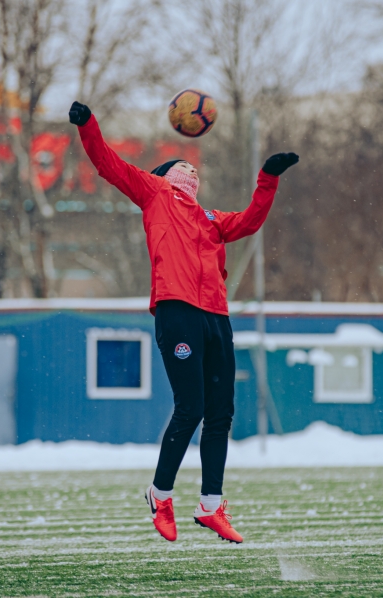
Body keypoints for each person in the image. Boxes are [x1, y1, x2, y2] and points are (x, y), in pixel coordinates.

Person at [69, 101, 299, 544]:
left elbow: (251, 221)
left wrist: (268, 178)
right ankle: (160, 495)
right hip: (177, 312)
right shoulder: (154, 193)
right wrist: (88, 124)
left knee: (221, 413)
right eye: (184, 165)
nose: (192, 171)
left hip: (216, 317)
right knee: (190, 407)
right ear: (166, 174)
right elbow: (107, 163)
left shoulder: (210, 218)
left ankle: (211, 506)